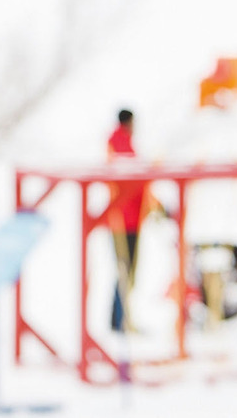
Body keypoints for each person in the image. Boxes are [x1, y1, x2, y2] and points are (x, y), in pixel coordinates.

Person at [106, 108, 145, 333]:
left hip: (130, 217)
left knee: (126, 270)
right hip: (124, 218)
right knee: (125, 269)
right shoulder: (119, 145)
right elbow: (129, 180)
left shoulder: (122, 143)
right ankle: (119, 319)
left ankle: (120, 318)